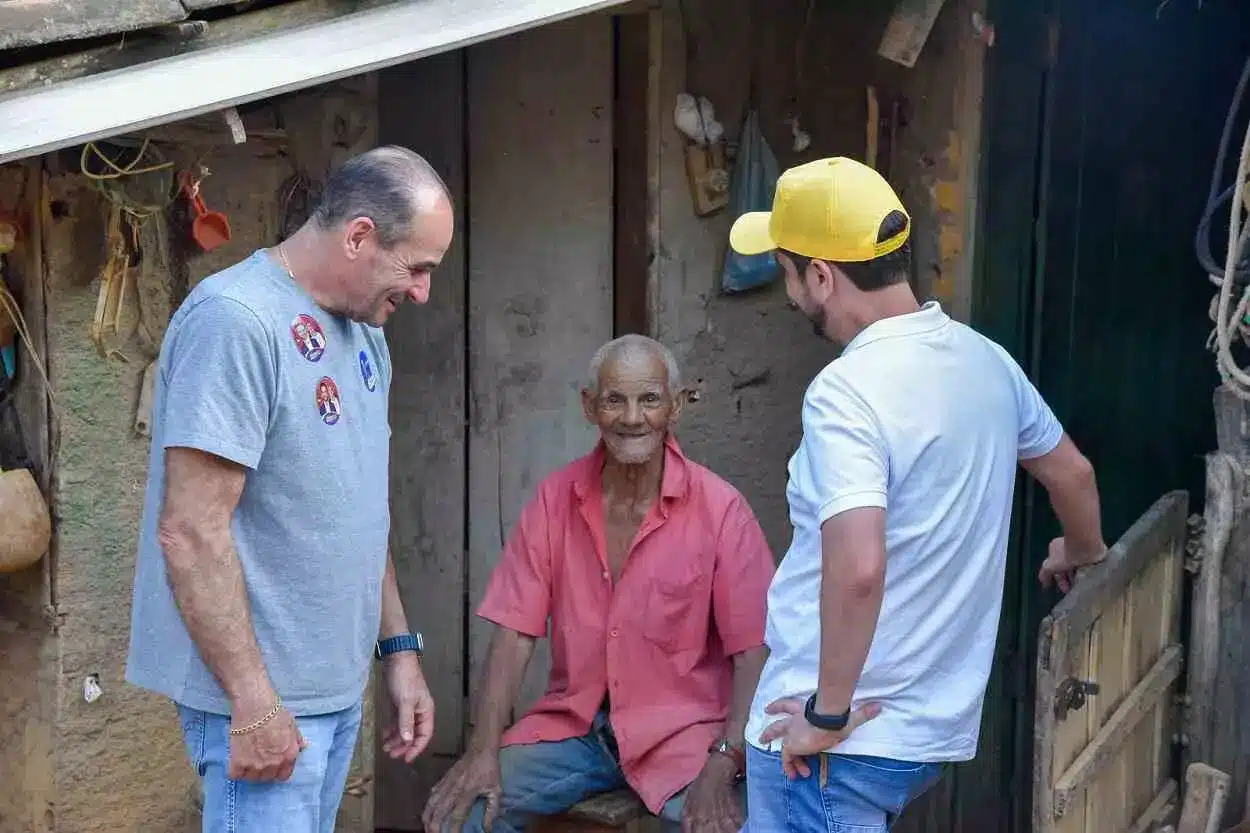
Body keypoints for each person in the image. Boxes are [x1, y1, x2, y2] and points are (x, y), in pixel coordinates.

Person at [727, 157, 1107, 832]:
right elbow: (1072, 474)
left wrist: (826, 714)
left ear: (820, 275)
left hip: (834, 745)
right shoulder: (985, 361)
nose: (789, 295)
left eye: (788, 273)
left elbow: (859, 566)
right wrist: (1080, 547)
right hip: (923, 731)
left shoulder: (846, 391)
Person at [125, 145, 454, 833]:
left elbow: (360, 510)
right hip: (266, 700)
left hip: (330, 692)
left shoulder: (368, 335)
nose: (423, 291)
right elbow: (190, 531)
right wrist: (254, 700)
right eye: (417, 268)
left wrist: (399, 651)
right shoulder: (237, 320)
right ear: (360, 234)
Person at [422, 335, 775, 833]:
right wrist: (483, 751)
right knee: (464, 815)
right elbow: (514, 634)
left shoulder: (721, 510)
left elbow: (753, 651)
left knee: (743, 827)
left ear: (675, 407)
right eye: (615, 399)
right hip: (578, 730)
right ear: (590, 407)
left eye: (649, 399)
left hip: (685, 736)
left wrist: (726, 756)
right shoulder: (554, 499)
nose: (632, 417)